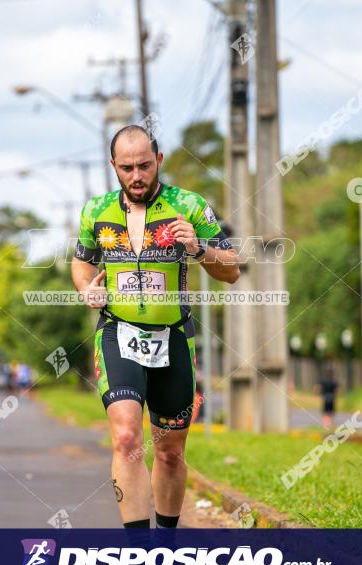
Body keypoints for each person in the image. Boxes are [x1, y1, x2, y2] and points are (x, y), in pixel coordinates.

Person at [71, 125, 239, 529]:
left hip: (174, 338)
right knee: (127, 438)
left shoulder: (189, 205)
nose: (137, 176)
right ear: (113, 166)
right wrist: (85, 289)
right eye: (126, 168)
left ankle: (164, 547)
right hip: (117, 332)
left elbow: (231, 270)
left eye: (144, 165)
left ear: (159, 161)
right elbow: (82, 261)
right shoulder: (96, 210)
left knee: (169, 452)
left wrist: (199, 249)